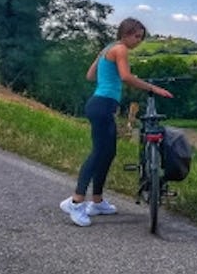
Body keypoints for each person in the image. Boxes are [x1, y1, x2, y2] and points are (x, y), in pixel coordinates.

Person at [60, 18, 173, 227]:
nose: (138, 41)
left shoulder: (107, 49)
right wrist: (153, 88)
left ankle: (97, 201)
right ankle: (76, 202)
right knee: (97, 153)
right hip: (102, 105)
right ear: (126, 33)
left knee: (108, 152)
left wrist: (110, 77)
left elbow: (90, 75)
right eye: (137, 36)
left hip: (100, 104)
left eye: (141, 37)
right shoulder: (121, 49)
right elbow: (126, 77)